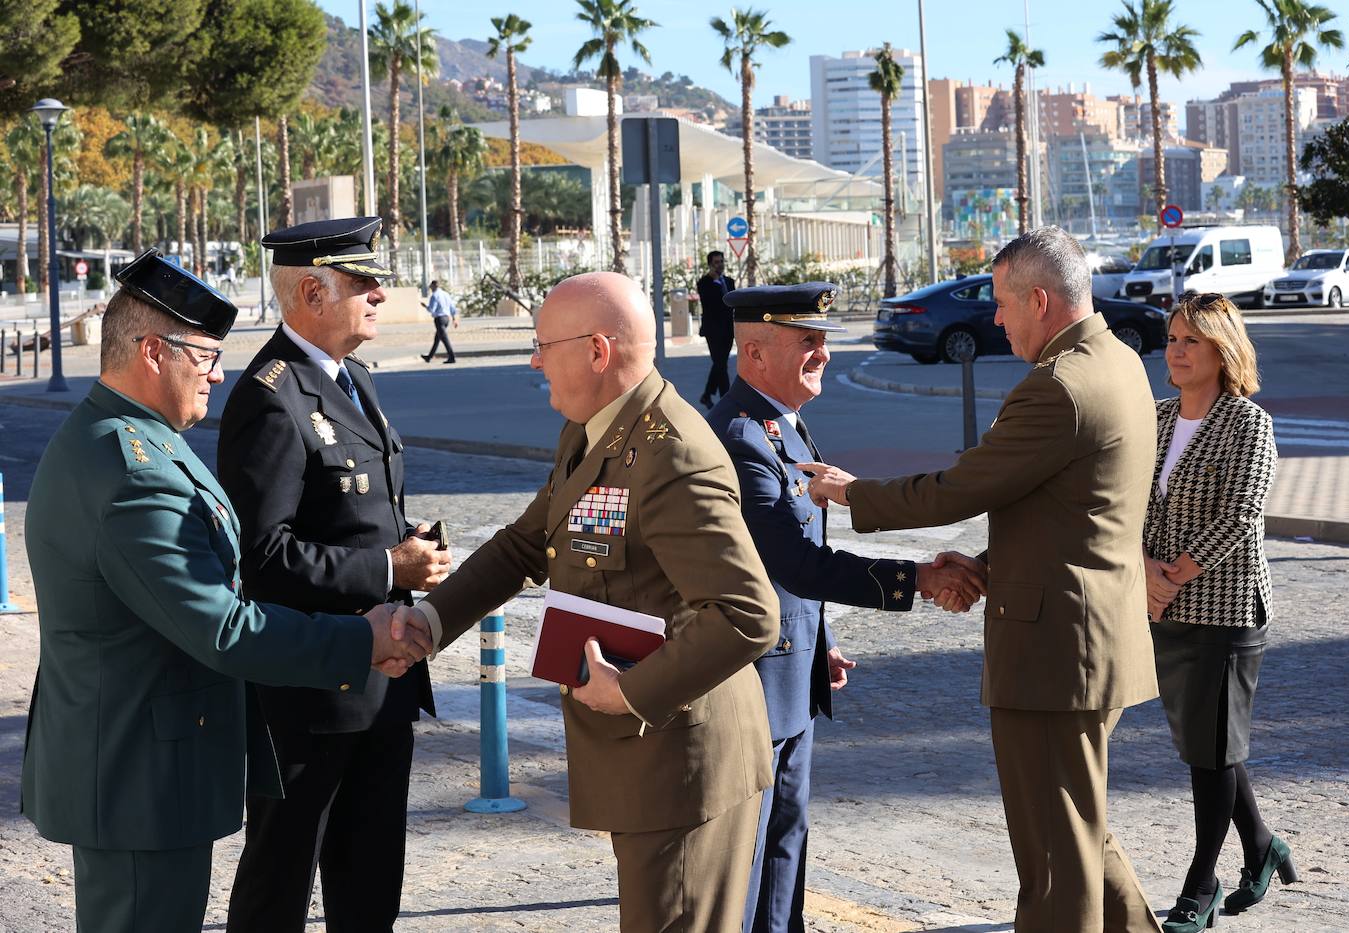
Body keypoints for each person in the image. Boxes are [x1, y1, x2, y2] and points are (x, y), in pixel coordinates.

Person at [20, 249, 430, 933]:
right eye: (205, 357)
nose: (217, 374)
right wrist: (363, 637)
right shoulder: (131, 470)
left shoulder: (138, 436)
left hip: (145, 763)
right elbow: (223, 627)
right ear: (153, 351)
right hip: (137, 775)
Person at [802, 226, 1163, 933]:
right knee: (1079, 832)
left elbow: (958, 488)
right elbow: (1073, 511)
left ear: (1039, 299)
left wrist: (850, 492)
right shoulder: (1116, 360)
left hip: (1055, 654)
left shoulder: (1059, 386)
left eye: (1002, 303)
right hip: (1095, 636)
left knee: (1055, 861)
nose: (995, 318)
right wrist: (991, 569)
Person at [415, 271, 780, 932]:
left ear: (596, 351)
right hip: (640, 762)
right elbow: (526, 543)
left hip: (680, 762)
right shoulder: (594, 429)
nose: (532, 359)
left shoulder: (671, 455)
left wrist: (634, 689)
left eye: (541, 344)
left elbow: (747, 613)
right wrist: (427, 622)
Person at [706, 283, 987, 933]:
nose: (824, 353)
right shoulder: (742, 434)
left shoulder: (785, 422)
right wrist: (916, 577)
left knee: (786, 845)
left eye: (823, 339)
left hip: (790, 672)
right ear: (754, 350)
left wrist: (818, 638)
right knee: (749, 865)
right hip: (754, 684)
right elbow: (797, 562)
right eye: (808, 340)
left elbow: (792, 559)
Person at [218, 216, 450, 933]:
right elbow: (262, 556)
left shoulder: (356, 379)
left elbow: (356, 511)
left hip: (385, 680)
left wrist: (406, 546)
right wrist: (386, 564)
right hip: (311, 694)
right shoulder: (270, 396)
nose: (380, 293)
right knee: (279, 884)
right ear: (312, 292)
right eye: (362, 281)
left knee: (371, 880)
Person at [1143, 293, 1292, 933]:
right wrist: (1145, 570)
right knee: (1210, 744)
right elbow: (1132, 501)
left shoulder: (1246, 423)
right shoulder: (1156, 416)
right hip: (1160, 601)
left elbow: (1240, 515)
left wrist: (1173, 575)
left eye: (1191, 341)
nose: (1176, 351)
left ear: (1222, 351)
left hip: (1225, 608)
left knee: (1210, 753)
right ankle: (1262, 845)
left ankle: (1199, 888)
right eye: (1173, 339)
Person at [697, 249, 736, 408]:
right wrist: (714, 282)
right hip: (713, 330)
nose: (720, 265)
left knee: (721, 363)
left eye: (721, 262)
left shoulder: (729, 281)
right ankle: (726, 399)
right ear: (710, 265)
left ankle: (707, 395)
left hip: (728, 329)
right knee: (720, 364)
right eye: (716, 262)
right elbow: (708, 303)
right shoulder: (704, 283)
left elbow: (733, 302)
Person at [422, 278, 457, 363]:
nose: (430, 288)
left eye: (431, 286)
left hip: (439, 319)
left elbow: (431, 309)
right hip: (446, 318)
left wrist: (425, 306)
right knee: (437, 338)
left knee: (444, 339)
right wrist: (454, 319)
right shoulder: (446, 294)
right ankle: (429, 357)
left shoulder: (434, 295)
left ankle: (451, 357)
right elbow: (452, 307)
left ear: (434, 286)